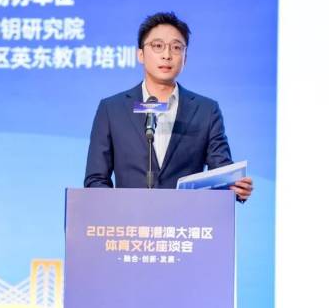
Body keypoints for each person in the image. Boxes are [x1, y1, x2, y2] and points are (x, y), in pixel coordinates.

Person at [84, 12, 253, 201]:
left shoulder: (206, 111)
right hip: (128, 217)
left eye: (176, 47)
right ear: (140, 54)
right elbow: (96, 180)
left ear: (185, 58)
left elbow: (221, 171)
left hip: (184, 218)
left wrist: (236, 187)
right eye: (157, 46)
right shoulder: (112, 109)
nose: (166, 55)